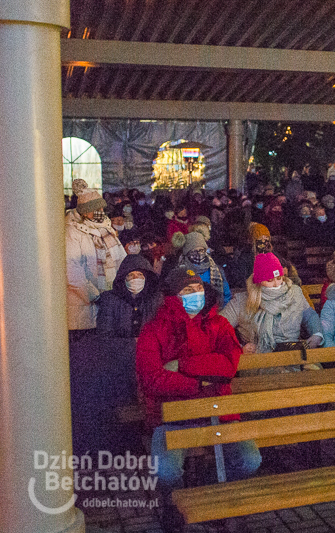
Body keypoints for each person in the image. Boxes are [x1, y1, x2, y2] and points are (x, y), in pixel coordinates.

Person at [136, 267, 261, 532]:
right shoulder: (154, 330)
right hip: (173, 415)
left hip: (220, 411)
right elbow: (152, 379)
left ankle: (213, 493)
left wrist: (181, 365)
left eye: (199, 289)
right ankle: (174, 504)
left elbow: (227, 365)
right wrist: (200, 382)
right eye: (188, 290)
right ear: (173, 296)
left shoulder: (220, 324)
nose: (197, 294)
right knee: (166, 470)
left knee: (250, 460)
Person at [220, 253, 323, 360]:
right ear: (258, 281)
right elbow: (220, 328)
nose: (276, 284)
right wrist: (239, 348)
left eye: (279, 278)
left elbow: (309, 316)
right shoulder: (242, 301)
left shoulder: (295, 293)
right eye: (269, 280)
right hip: (256, 359)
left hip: (293, 355)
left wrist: (317, 334)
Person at [66, 181, 127, 337]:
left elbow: (121, 260)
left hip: (109, 306)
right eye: (96, 209)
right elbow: (72, 271)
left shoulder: (106, 229)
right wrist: (96, 296)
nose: (101, 211)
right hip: (84, 312)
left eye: (102, 208)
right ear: (86, 211)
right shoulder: (72, 232)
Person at [96, 254, 163, 338]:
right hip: (119, 350)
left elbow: (161, 332)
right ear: (123, 278)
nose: (135, 278)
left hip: (148, 349)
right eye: (130, 275)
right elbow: (105, 334)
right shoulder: (110, 300)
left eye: (139, 275)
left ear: (146, 277)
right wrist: (131, 343)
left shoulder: (155, 300)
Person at [173, 231, 232, 306]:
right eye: (194, 251)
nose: (199, 254)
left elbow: (226, 294)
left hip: (214, 312)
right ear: (187, 253)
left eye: (201, 250)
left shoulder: (216, 269)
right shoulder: (180, 272)